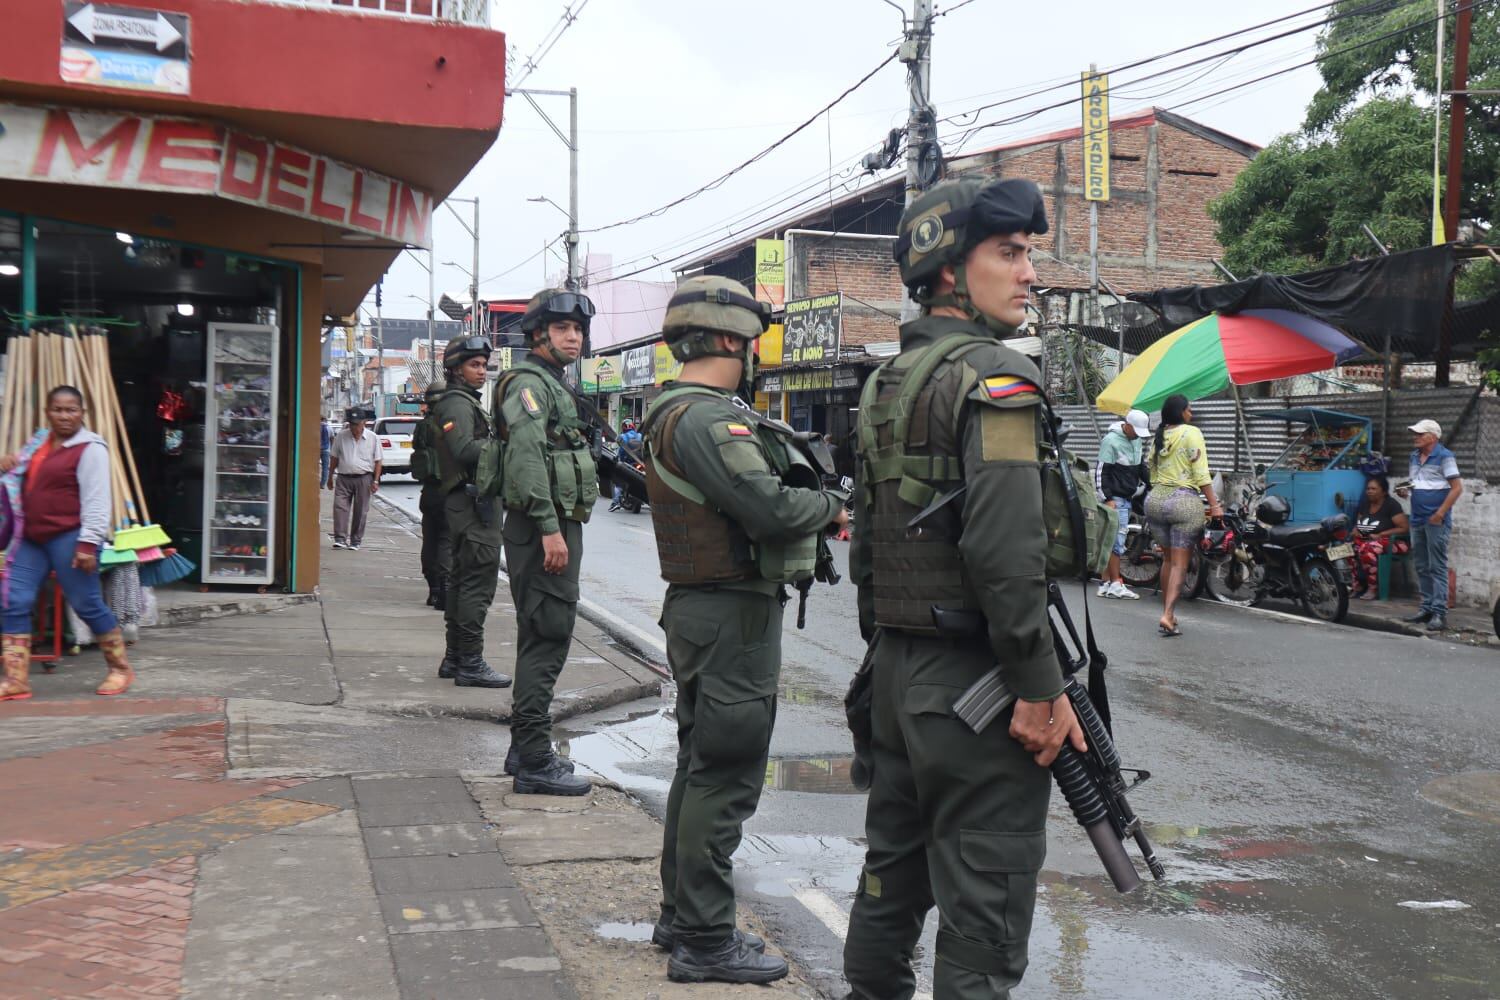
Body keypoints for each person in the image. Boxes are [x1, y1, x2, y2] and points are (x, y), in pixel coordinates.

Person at [843, 177, 1086, 999]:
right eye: (1010, 254)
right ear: (950, 270)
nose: (1028, 274)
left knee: (892, 878)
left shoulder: (888, 383)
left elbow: (872, 548)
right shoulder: (996, 379)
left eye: (1028, 256)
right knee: (985, 905)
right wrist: (1038, 685)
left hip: (900, 674)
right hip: (977, 681)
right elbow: (1007, 551)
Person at [643, 275, 846, 984]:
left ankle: (682, 916)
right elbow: (769, 509)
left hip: (709, 611)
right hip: (731, 615)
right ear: (730, 339)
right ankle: (704, 936)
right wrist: (828, 503)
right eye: (754, 336)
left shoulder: (678, 410)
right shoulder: (706, 420)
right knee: (724, 776)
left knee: (699, 768)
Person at [495, 289, 598, 797]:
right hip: (544, 529)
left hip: (547, 525)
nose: (573, 337)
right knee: (549, 635)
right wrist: (549, 527)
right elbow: (527, 456)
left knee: (539, 632)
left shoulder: (552, 384)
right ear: (538, 334)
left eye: (577, 329)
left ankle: (523, 746)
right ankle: (535, 760)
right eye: (562, 329)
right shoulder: (530, 386)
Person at [0, 386, 134, 701]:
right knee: (12, 600)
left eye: (71, 409)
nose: (64, 415)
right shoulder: (38, 444)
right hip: (31, 538)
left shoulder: (91, 448)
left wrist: (88, 543)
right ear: (47, 412)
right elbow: (19, 476)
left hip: (71, 537)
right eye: (58, 409)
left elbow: (98, 501)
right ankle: (16, 679)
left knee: (86, 603)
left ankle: (119, 669)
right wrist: (9, 462)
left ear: (82, 413)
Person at [430, 336, 512, 690]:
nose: (482, 371)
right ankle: (471, 663)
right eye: (474, 365)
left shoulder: (464, 402)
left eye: (484, 365)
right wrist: (506, 448)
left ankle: (454, 658)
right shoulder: (457, 404)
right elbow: (464, 449)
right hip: (473, 505)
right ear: (455, 370)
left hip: (470, 503)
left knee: (463, 584)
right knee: (476, 587)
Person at [1144, 394, 1220, 637]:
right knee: (1180, 563)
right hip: (1183, 502)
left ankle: (1170, 615)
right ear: (1180, 412)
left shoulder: (1158, 436)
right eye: (1189, 410)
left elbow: (1151, 472)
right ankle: (1167, 615)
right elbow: (1201, 474)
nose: (1192, 414)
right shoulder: (1191, 433)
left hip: (1155, 501)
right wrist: (1215, 506)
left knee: (1167, 560)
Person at [1397, 419, 1461, 630]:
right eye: (1415, 433)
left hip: (1436, 520)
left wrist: (1440, 513)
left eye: (1420, 434)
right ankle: (1426, 608)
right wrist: (1406, 491)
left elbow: (1457, 488)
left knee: (1437, 566)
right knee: (1422, 565)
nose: (1415, 436)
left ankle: (1439, 613)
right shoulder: (1414, 457)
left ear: (1433, 437)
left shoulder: (1445, 456)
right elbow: (1416, 483)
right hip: (1417, 518)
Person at [1095, 409, 1151, 600]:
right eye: (1135, 430)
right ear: (1126, 425)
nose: (1137, 435)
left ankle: (1105, 583)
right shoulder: (1110, 441)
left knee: (1111, 540)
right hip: (1115, 499)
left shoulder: (1136, 440)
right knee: (1117, 541)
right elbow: (1101, 472)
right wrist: (1108, 498)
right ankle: (1117, 583)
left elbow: (1141, 466)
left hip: (1128, 496)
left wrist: (1153, 483)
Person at [411, 382, 450, 609]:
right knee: (446, 541)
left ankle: (433, 590)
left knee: (431, 541)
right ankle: (444, 590)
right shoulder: (449, 425)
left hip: (429, 493)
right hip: (447, 491)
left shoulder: (423, 427)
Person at [326, 406, 381, 551]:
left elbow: (378, 460)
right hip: (344, 478)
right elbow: (334, 458)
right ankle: (340, 538)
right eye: (351, 424)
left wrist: (375, 480)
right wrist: (330, 476)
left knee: (360, 510)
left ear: (364, 422)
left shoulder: (373, 438)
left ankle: (355, 540)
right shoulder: (341, 437)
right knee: (340, 507)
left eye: (356, 424)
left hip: (364, 478)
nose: (353, 427)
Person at [1351, 474, 1409, 601]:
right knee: (1345, 550)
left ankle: (1373, 588)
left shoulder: (1391, 505)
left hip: (1394, 542)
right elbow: (1358, 524)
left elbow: (1404, 528)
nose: (1369, 491)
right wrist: (1356, 531)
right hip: (1368, 541)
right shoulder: (1365, 505)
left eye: (1373, 489)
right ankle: (1357, 586)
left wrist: (1381, 534)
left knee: (1367, 550)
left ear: (1383, 491)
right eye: (1368, 489)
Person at [609, 419, 643, 511]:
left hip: (627, 463)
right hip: (640, 463)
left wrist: (620, 459)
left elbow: (621, 451)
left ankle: (615, 503)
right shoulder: (640, 435)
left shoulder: (622, 436)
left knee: (618, 482)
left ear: (623, 427)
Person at [319, 418, 332, 484]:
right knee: (325, 467)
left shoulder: (317, 426)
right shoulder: (329, 428)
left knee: (314, 466)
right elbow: (332, 438)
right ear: (325, 420)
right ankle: (323, 483)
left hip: (317, 450)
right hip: (326, 450)